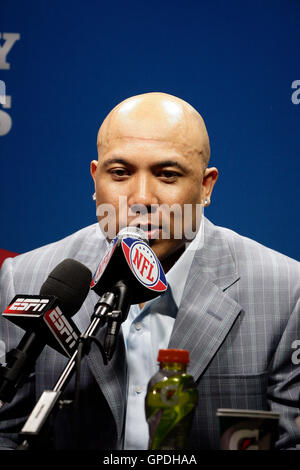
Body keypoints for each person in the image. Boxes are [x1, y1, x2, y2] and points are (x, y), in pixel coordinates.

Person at [0, 92, 299, 450]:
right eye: (120, 173)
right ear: (96, 180)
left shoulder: (286, 291)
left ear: (206, 186)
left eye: (167, 174)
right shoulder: (25, 278)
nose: (141, 198)